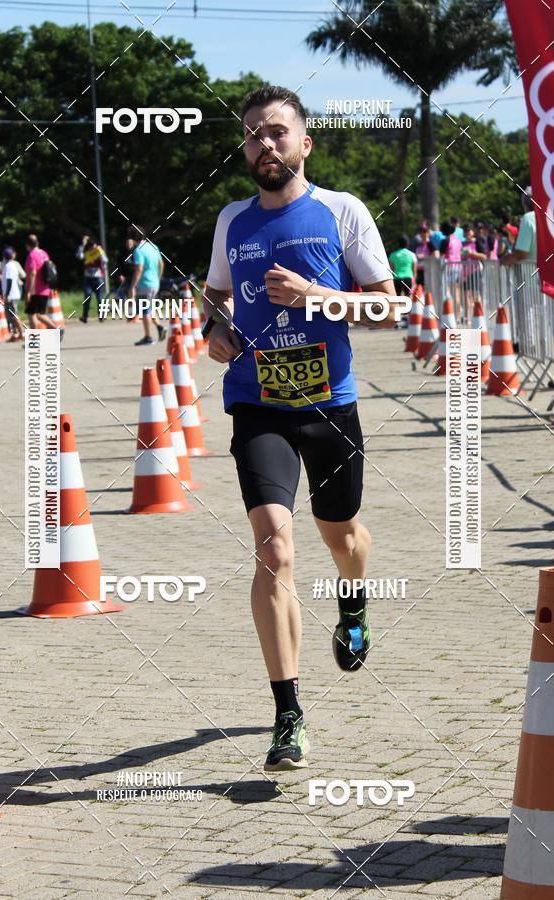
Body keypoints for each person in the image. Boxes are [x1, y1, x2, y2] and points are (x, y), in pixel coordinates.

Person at [203, 85, 396, 772]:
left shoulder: (342, 212)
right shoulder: (233, 220)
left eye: (278, 132)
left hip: (328, 409)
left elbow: (389, 310)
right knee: (274, 550)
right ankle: (287, 714)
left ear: (304, 143)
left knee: (341, 536)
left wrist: (319, 296)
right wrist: (215, 332)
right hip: (258, 408)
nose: (266, 144)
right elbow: (217, 298)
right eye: (254, 134)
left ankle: (353, 598)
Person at [127, 225, 166, 345]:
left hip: (144, 284)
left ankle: (148, 337)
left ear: (132, 237)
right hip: (154, 283)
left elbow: (139, 269)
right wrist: (158, 279)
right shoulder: (153, 246)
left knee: (144, 311)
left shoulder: (138, 250)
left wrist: (132, 287)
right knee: (148, 308)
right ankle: (160, 327)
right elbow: (161, 263)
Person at [24, 234, 57, 330]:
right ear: (37, 243)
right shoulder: (44, 253)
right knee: (39, 314)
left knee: (31, 315)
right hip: (45, 288)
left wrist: (29, 291)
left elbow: (33, 273)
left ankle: (34, 342)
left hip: (36, 290)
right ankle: (56, 330)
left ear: (27, 245)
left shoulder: (31, 255)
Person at [501, 189, 537, 266]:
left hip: (535, 275)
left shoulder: (528, 218)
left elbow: (521, 254)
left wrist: (504, 261)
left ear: (524, 205)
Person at [76, 234, 108, 322]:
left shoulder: (99, 253)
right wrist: (83, 244)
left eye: (94, 247)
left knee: (100, 298)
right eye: (91, 247)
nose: (93, 249)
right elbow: (79, 256)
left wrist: (100, 251)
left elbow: (105, 260)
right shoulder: (87, 254)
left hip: (98, 279)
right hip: (88, 279)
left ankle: (102, 316)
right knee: (87, 296)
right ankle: (84, 316)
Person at [1, 246, 25, 342]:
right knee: (10, 315)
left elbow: (9, 281)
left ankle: (21, 333)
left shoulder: (8, 266)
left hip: (11, 294)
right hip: (12, 293)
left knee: (13, 315)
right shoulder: (11, 265)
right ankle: (15, 334)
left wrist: (7, 295)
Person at [115, 237, 136, 302]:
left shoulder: (137, 252)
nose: (128, 244)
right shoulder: (122, 253)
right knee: (126, 292)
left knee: (134, 292)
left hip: (135, 276)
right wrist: (120, 275)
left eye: (130, 243)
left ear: (133, 243)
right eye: (127, 243)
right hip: (125, 276)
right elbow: (118, 265)